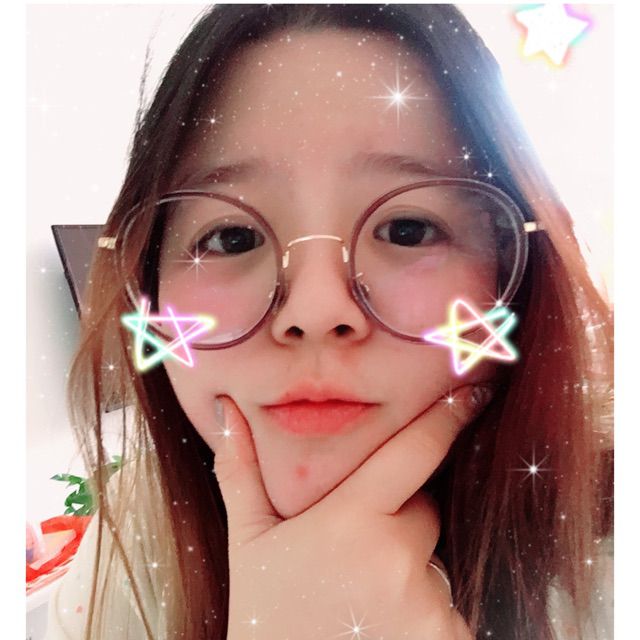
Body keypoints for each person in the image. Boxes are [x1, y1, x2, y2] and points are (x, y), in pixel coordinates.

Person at [44, 4, 613, 639]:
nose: (315, 312)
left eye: (407, 229)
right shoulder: (123, 552)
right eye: (231, 238)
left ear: (514, 274)